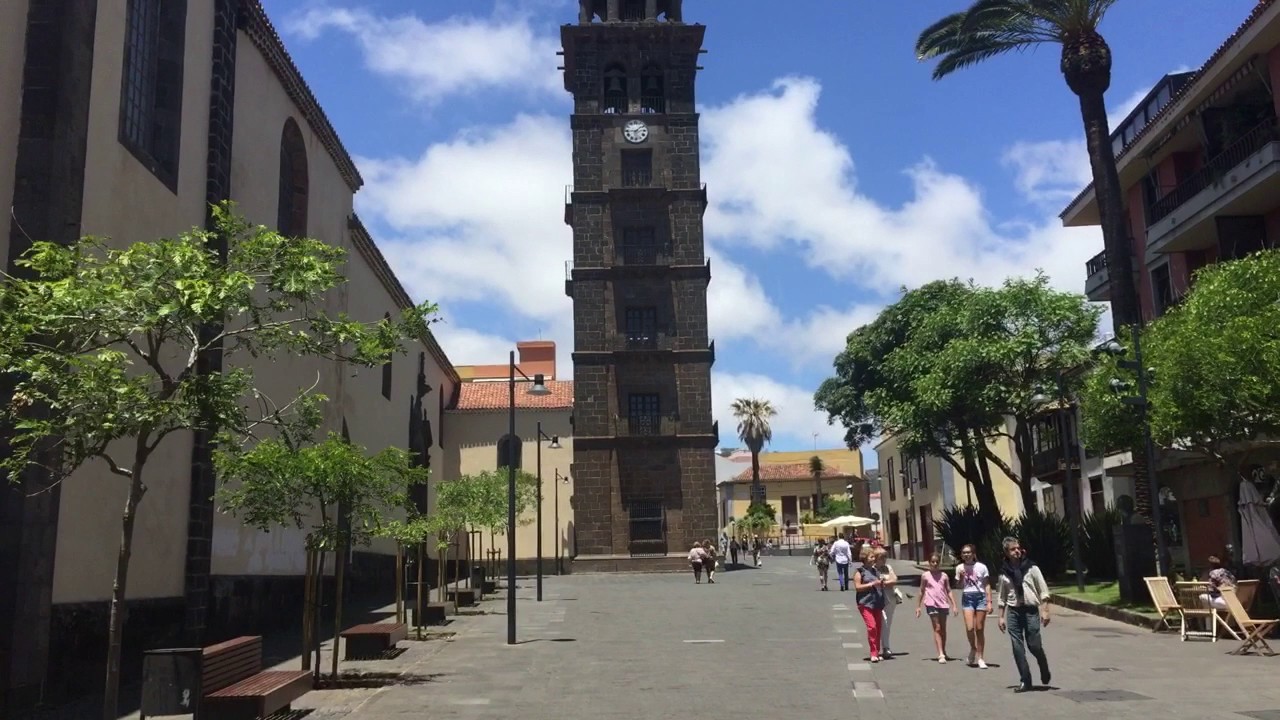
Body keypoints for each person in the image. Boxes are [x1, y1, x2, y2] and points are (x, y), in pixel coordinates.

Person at [996, 537, 1052, 693]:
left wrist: (1045, 611)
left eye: (1018, 548)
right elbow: (1002, 596)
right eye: (1013, 549)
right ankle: (1025, 680)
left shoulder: (1031, 568)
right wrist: (1001, 616)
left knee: (1034, 645)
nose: (1017, 551)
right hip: (1013, 611)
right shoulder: (1004, 572)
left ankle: (1043, 663)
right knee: (1017, 647)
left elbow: (1043, 590)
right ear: (1006, 552)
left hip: (1030, 610)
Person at [955, 543, 991, 669]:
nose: (966, 555)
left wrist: (989, 601)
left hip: (980, 597)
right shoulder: (959, 567)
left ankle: (981, 657)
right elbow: (959, 586)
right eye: (964, 552)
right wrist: (960, 577)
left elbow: (986, 584)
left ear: (973, 554)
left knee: (979, 628)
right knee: (970, 628)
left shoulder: (982, 567)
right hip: (967, 597)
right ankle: (973, 648)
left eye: (968, 552)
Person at [915, 552, 954, 663]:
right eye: (933, 562)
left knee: (943, 629)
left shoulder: (944, 576)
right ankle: (940, 653)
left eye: (937, 562)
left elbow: (949, 590)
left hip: (943, 604)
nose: (935, 564)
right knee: (937, 628)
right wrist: (918, 606)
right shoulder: (925, 576)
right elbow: (921, 591)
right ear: (929, 563)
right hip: (931, 603)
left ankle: (944, 650)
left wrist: (954, 605)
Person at [853, 545, 887, 662]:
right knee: (871, 627)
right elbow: (857, 587)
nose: (874, 558)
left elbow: (879, 584)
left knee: (878, 627)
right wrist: (872, 584)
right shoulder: (859, 572)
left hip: (877, 602)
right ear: (865, 558)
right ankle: (873, 652)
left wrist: (881, 583)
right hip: (865, 603)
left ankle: (876, 652)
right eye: (872, 556)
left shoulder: (875, 571)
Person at [871, 547, 900, 657]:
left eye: (885, 557)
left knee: (887, 623)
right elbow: (872, 582)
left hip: (890, 598)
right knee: (882, 621)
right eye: (881, 557)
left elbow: (894, 580)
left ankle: (886, 647)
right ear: (876, 558)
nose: (884, 560)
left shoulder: (888, 568)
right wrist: (885, 583)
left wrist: (883, 583)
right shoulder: (872, 569)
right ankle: (879, 647)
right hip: (877, 598)